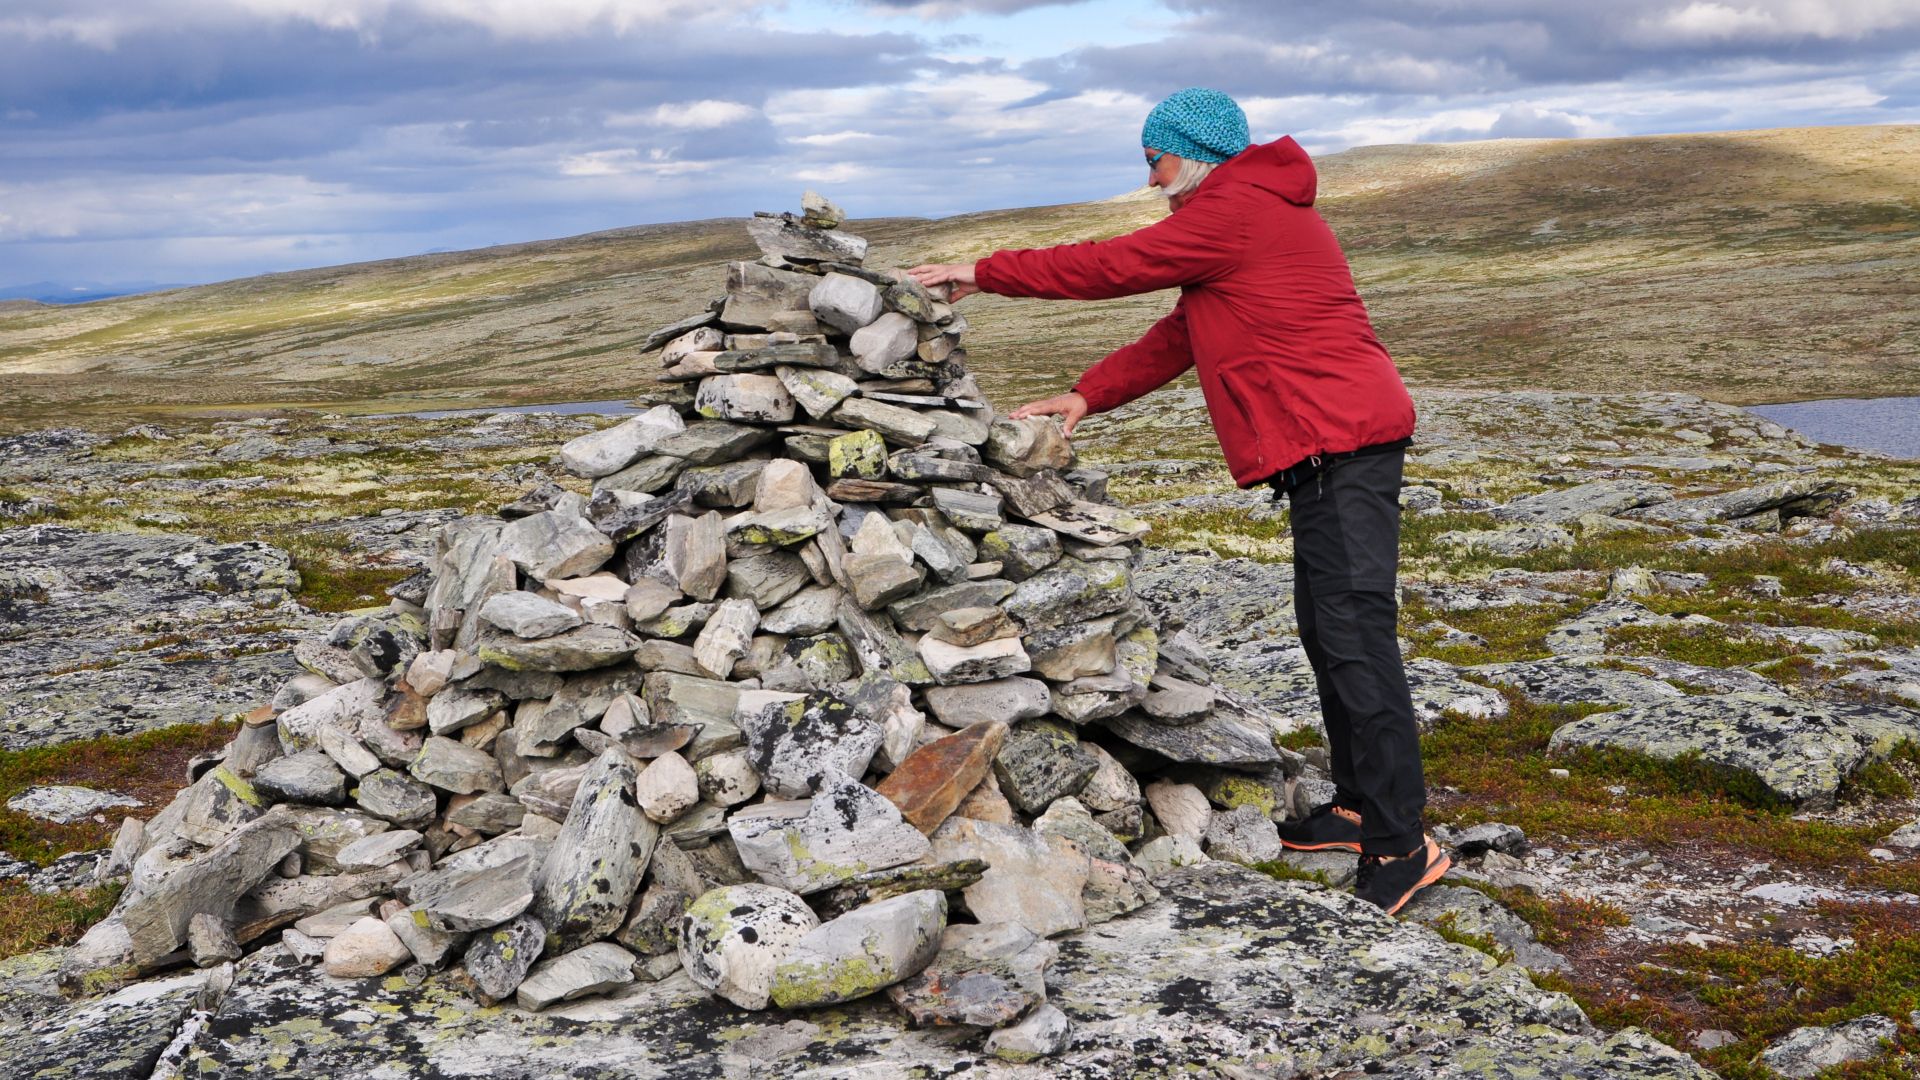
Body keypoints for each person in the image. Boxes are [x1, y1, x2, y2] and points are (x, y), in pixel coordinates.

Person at [908, 87, 1449, 915]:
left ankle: (1402, 842)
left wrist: (979, 273)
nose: (1150, 178)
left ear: (1192, 152)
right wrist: (1088, 395)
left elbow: (1111, 265)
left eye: (1154, 159)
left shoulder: (1237, 208)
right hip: (1330, 448)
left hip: (1342, 445)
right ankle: (1357, 807)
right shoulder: (1243, 214)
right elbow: (1182, 335)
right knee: (1330, 632)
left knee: (1354, 639)